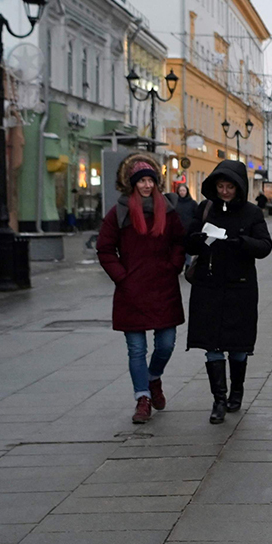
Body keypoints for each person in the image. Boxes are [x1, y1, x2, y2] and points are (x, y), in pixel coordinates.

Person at [97, 154, 186, 424]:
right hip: (131, 291)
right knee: (136, 349)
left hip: (163, 288)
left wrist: (173, 267)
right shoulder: (120, 212)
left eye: (150, 181)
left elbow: (180, 243)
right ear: (132, 184)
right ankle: (142, 398)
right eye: (141, 181)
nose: (146, 186)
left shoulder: (168, 211)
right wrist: (122, 277)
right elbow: (104, 248)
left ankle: (153, 377)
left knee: (166, 344)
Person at [186, 160, 272, 424]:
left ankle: (237, 391)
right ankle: (219, 400)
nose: (225, 191)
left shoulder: (252, 213)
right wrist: (198, 240)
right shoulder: (205, 209)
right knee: (211, 345)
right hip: (208, 287)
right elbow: (187, 240)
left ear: (239, 188)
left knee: (237, 347)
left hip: (240, 288)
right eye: (221, 186)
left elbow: (265, 246)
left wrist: (242, 242)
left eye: (230, 187)